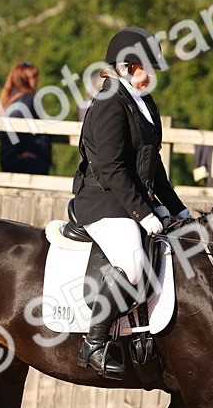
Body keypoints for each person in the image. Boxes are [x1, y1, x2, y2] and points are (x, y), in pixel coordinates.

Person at [71, 27, 191, 378]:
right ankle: (93, 343)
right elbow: (111, 167)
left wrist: (177, 207)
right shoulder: (109, 103)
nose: (151, 77)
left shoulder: (144, 102)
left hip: (130, 200)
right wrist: (144, 212)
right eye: (145, 70)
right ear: (124, 67)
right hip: (102, 202)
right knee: (133, 263)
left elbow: (153, 165)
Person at [0, 61, 51, 174]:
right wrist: (20, 153)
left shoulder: (9, 98)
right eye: (34, 76)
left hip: (11, 158)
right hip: (26, 161)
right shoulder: (26, 100)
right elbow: (14, 128)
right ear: (24, 79)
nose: (38, 79)